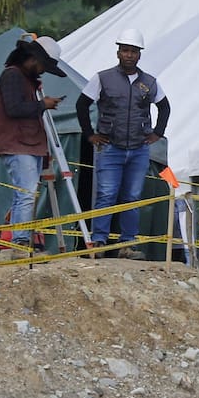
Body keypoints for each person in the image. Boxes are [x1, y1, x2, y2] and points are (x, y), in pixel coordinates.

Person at [75, 29, 169, 255]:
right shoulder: (102, 78)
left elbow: (164, 107)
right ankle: (99, 242)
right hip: (110, 147)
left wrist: (157, 133)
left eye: (133, 51)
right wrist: (90, 135)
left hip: (138, 148)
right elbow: (81, 105)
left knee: (132, 197)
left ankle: (128, 243)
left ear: (139, 54)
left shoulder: (149, 82)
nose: (129, 55)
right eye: (125, 50)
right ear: (118, 52)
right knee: (106, 194)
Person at [0, 35, 66, 259]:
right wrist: (43, 105)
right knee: (26, 194)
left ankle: (23, 239)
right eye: (42, 66)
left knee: (25, 194)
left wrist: (42, 103)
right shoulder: (12, 75)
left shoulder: (28, 80)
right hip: (16, 143)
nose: (41, 71)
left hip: (29, 144)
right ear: (32, 59)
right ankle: (20, 243)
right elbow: (13, 108)